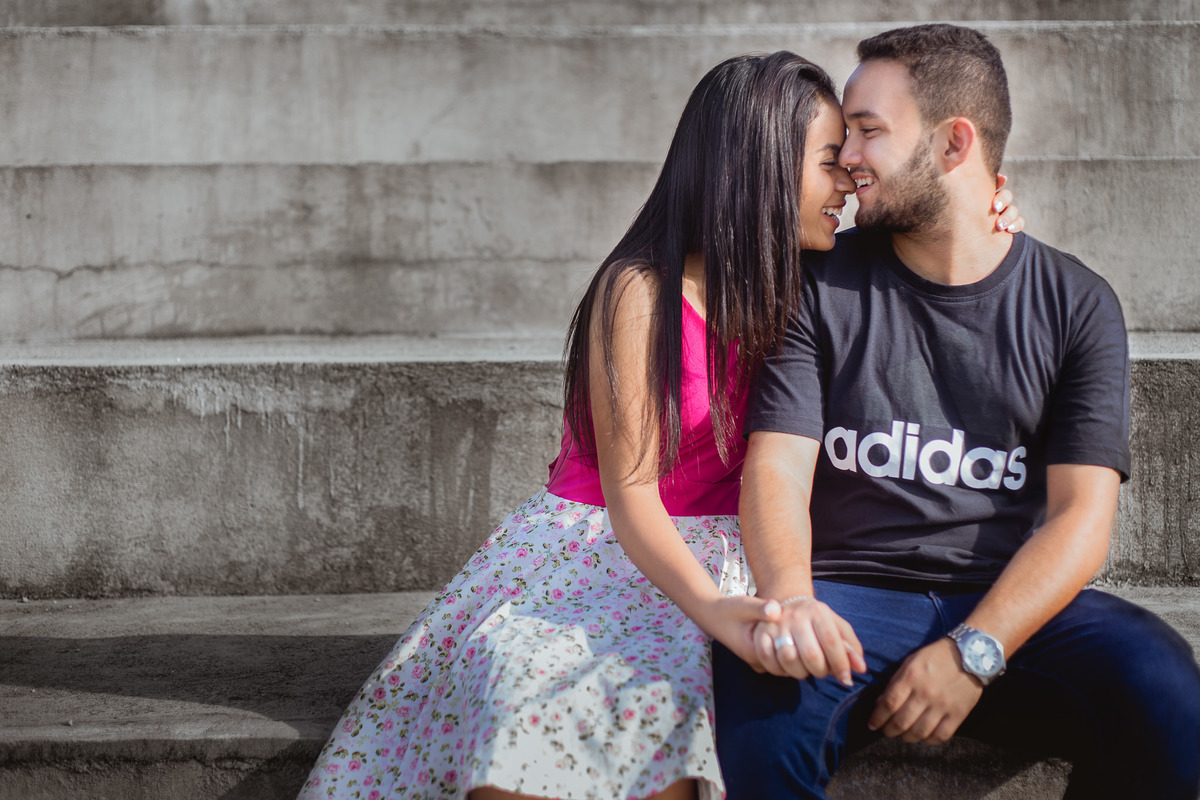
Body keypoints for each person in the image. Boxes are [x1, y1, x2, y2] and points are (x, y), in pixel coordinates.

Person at [298, 51, 1021, 800]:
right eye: (828, 162)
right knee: (530, 686)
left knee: (680, 705)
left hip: (747, 551)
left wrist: (990, 215)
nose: (847, 179)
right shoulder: (641, 291)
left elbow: (945, 252)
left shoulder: (822, 281)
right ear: (758, 169)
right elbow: (632, 495)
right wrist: (713, 610)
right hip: (609, 551)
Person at [712, 23, 1200, 800]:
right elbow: (775, 466)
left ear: (952, 144)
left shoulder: (1076, 305)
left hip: (999, 601)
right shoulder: (819, 285)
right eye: (844, 134)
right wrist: (792, 598)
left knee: (1166, 687)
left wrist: (979, 647)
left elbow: (1081, 519)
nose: (846, 156)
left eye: (869, 130)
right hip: (844, 596)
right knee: (763, 708)